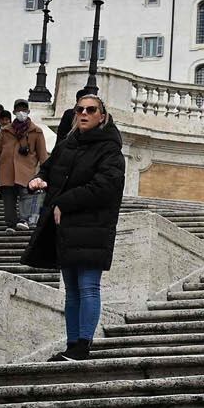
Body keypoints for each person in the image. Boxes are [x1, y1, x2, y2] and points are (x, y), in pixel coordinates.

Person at [24, 92, 125, 362]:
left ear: (102, 116)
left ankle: (83, 345)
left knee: (89, 285)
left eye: (91, 110)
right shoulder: (68, 143)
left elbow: (104, 187)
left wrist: (63, 202)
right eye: (80, 109)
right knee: (71, 288)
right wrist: (39, 180)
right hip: (66, 227)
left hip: (93, 226)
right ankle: (72, 345)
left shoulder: (111, 150)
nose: (84, 113)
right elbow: (50, 168)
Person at [0, 104, 49, 232]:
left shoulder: (36, 131)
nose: (21, 113)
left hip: (26, 170)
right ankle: (11, 223)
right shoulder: (6, 131)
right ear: (14, 112)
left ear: (28, 111)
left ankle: (24, 219)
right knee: (8, 198)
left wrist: (45, 173)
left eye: (24, 110)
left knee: (26, 194)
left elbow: (43, 155)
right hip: (7, 170)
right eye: (18, 110)